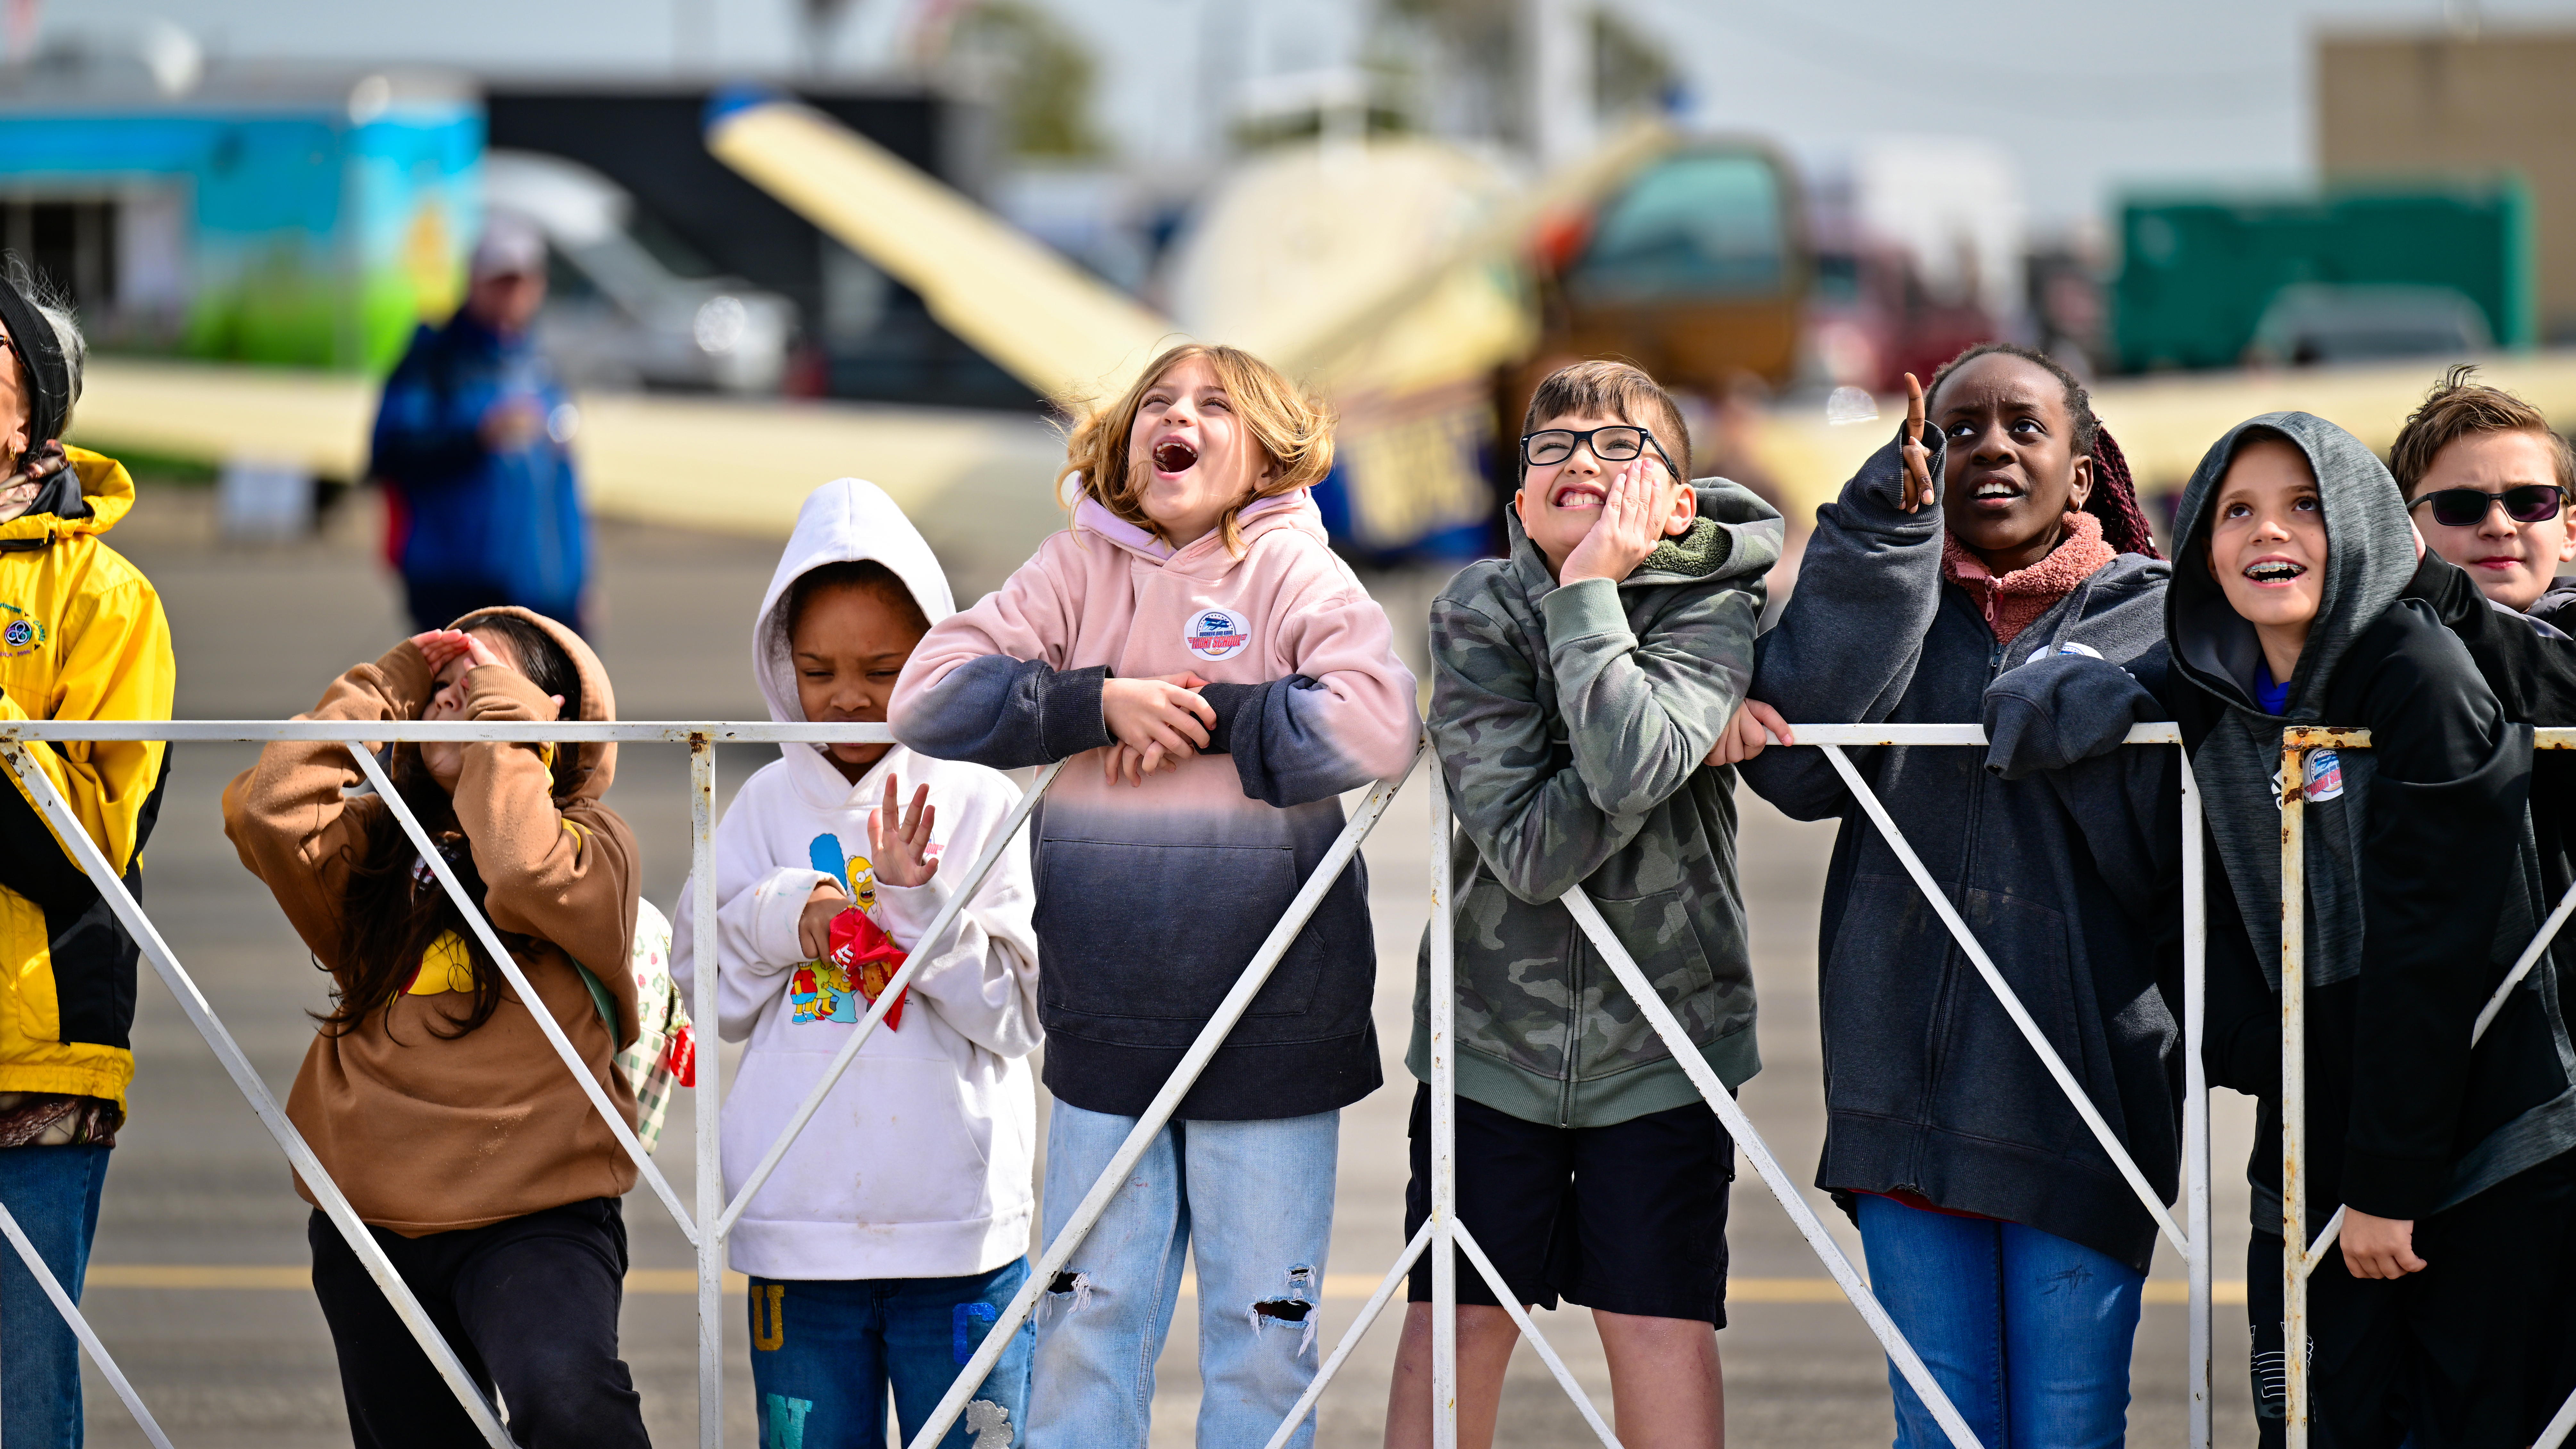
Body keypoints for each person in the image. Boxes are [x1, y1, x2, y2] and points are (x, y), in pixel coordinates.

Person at [889, 342, 1419, 1449]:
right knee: (1088, 1320)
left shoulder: (1296, 572)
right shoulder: (1071, 570)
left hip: (1273, 1027)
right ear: (1127, 447)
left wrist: (1203, 719)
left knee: (1261, 1332)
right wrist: (1094, 705)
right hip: (1106, 1025)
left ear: (1269, 454)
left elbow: (1375, 723)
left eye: (1214, 405)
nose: (1177, 416)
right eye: (1156, 404)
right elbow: (926, 697)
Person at [1738, 343, 2182, 1448]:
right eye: (1955, 429)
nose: (1986, 447)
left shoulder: (2156, 623)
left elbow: (2178, 870)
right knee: (1939, 1427)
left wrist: (2109, 705)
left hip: (2081, 1098)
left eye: (2022, 428)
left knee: (2069, 1429)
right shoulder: (1894, 597)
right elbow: (1793, 770)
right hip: (1903, 1090)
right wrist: (1877, 545)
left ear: (2080, 473)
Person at [1383, 360, 1781, 1449]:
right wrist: (1649, 724)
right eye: (1549, 449)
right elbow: (1521, 843)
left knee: (1656, 1324)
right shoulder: (1475, 606)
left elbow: (1633, 754)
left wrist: (1592, 598)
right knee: (1451, 1323)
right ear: (1514, 500)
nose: (1579, 462)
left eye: (1619, 448)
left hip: (1664, 1032)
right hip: (1488, 1038)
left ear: (1679, 502)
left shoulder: (1712, 599)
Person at [2174, 413, 2576, 1446]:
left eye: (2306, 504)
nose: (2273, 531)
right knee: (2308, 1421)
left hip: (2477, 1134)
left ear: (2362, 521)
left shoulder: (2422, 673)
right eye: (2239, 509)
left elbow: (2434, 942)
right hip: (2312, 1136)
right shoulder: (2205, 687)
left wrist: (2387, 1183)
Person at [221, 607, 651, 1448]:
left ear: (549, 720)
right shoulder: (387, 846)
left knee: (569, 1405)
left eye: (482, 689)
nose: (453, 702)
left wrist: (504, 741)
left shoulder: (595, 843)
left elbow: (523, 866)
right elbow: (269, 811)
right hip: (373, 1216)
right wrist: (388, 685)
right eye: (442, 693)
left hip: (539, 1211)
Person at [672, 478, 1042, 1449]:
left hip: (961, 1236)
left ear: (936, 654)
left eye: (883, 668)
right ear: (777, 662)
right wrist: (792, 916)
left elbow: (1018, 1014)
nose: (846, 696)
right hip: (798, 1231)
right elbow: (703, 986)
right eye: (817, 667)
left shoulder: (975, 802)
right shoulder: (756, 806)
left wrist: (919, 907)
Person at [0, 263, 175, 1446]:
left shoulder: (105, 596)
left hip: (36, 1045)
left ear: (32, 408)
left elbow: (99, 841)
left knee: (20, 1385)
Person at [369, 215, 590, 633]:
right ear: (474, 281)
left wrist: (582, 583)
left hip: (545, 591)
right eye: (502, 280)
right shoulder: (432, 362)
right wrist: (477, 439)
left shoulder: (542, 365)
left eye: (524, 280)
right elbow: (389, 453)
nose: (514, 293)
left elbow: (565, 484)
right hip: (457, 587)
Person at [2390, 363, 2576, 630]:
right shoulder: (2372, 655)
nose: (2499, 527)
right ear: (2405, 534)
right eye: (2461, 506)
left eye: (2528, 502)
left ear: (2568, 533)